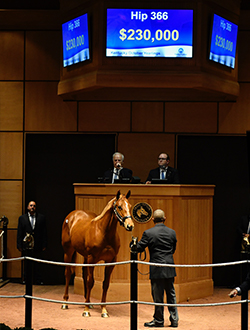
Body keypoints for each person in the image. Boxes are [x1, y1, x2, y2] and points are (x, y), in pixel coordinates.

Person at [132, 209, 179, 328]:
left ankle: (159, 321)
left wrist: (133, 243)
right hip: (169, 266)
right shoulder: (172, 232)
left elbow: (139, 248)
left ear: (152, 219)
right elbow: (173, 249)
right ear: (164, 219)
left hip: (156, 268)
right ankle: (174, 320)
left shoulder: (148, 233)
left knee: (158, 296)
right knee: (171, 294)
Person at [17, 201, 47, 284]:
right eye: (31, 206)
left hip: (38, 244)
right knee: (27, 263)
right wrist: (19, 244)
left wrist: (44, 244)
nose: (32, 207)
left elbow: (44, 232)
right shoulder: (22, 218)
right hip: (26, 245)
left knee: (38, 263)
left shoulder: (41, 218)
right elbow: (20, 232)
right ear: (27, 207)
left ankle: (38, 279)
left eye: (34, 206)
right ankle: (26, 279)